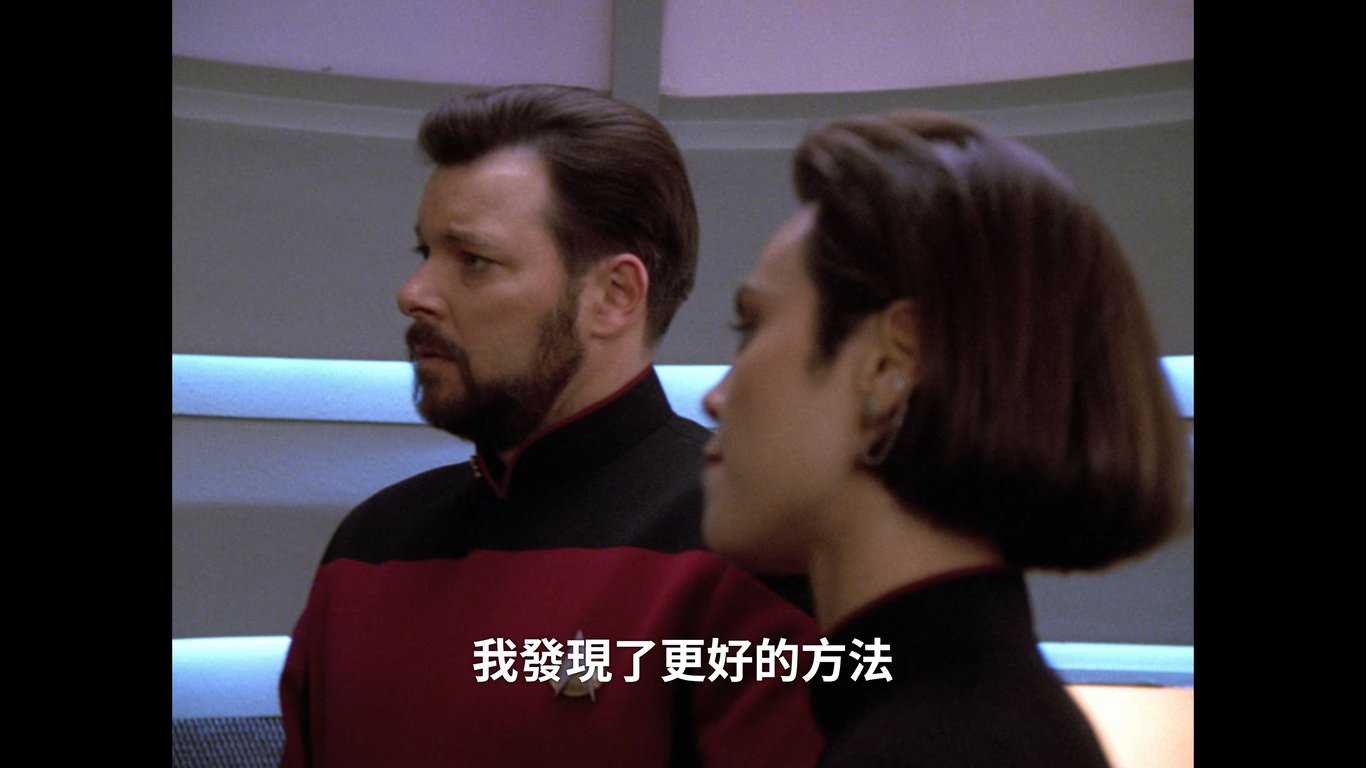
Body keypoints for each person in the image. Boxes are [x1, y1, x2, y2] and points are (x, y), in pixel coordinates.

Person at [279, 85, 823, 768]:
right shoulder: (368, 545)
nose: (413, 293)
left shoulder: (750, 545)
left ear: (614, 297)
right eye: (424, 252)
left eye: (472, 260)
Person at [701, 110, 1189, 767]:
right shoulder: (976, 718)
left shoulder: (937, 745)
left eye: (751, 325)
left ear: (888, 366)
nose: (713, 397)